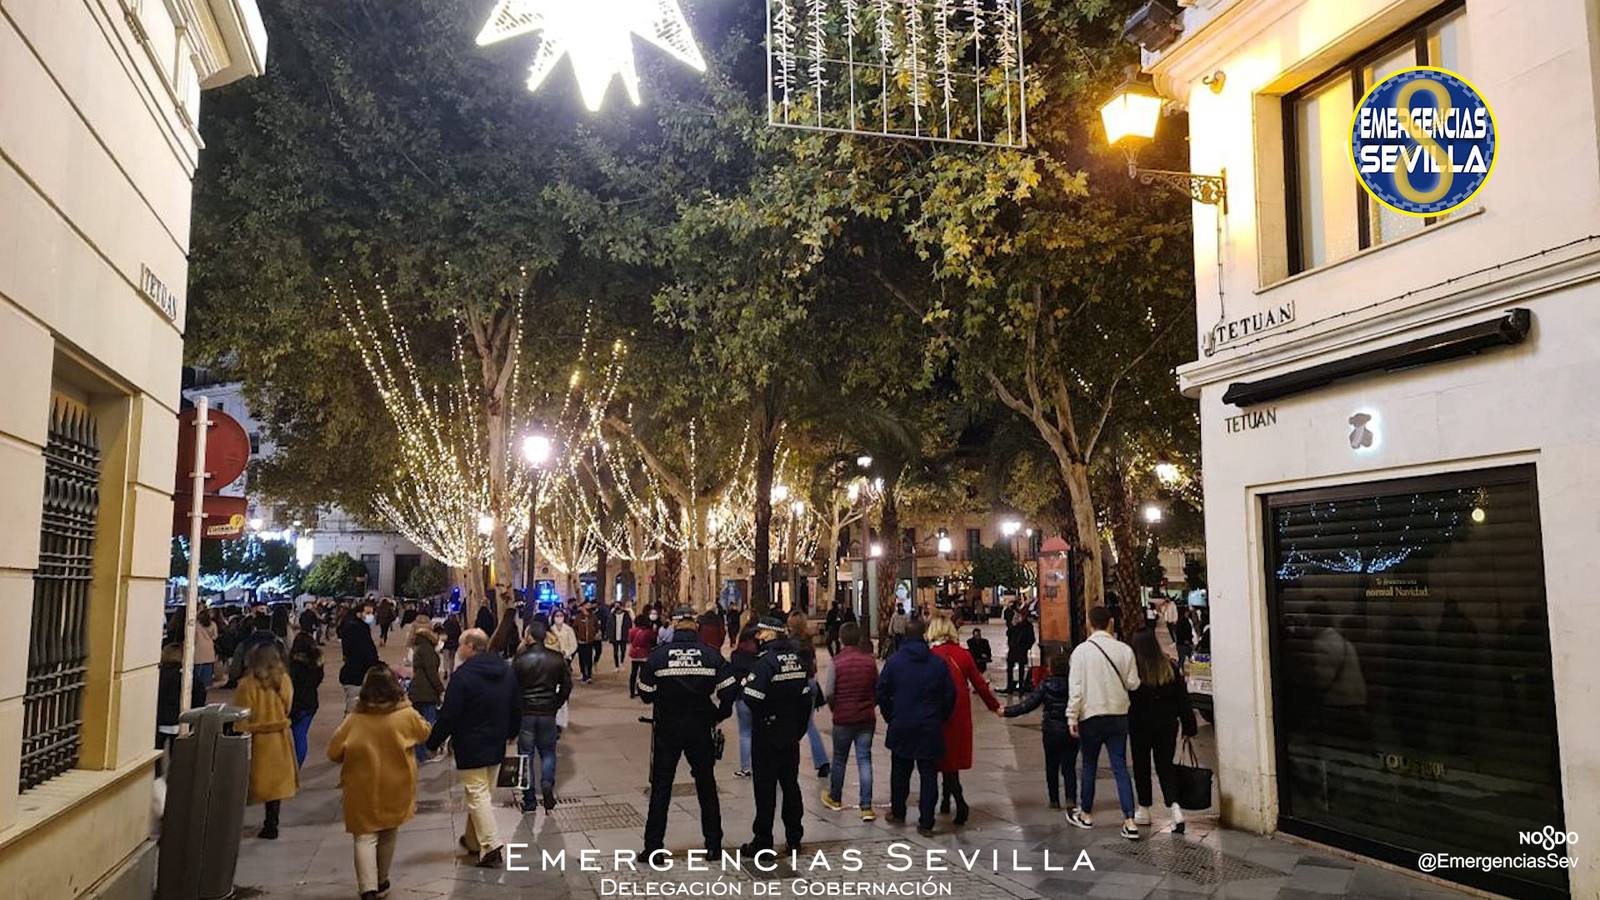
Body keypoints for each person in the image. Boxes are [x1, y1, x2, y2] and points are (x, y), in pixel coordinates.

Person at [638, 607, 738, 856]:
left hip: (667, 727)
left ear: (673, 625)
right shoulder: (711, 655)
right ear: (696, 625)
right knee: (706, 785)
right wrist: (719, 714)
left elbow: (645, 693)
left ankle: (653, 847)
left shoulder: (659, 656)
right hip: (700, 727)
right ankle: (714, 844)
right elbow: (729, 690)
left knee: (661, 788)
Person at [327, 665, 433, 900]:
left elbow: (333, 751)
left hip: (362, 786)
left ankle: (368, 888)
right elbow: (425, 731)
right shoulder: (404, 714)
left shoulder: (355, 719)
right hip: (397, 784)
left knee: (364, 836)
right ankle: (382, 879)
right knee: (388, 831)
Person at [423, 628, 520, 867]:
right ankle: (474, 842)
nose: (459, 649)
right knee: (481, 794)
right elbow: (516, 705)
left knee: (477, 795)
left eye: (462, 645)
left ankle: (491, 845)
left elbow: (449, 715)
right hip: (496, 742)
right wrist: (511, 732)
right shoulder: (506, 671)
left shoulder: (463, 676)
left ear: (470, 647)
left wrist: (433, 743)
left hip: (471, 744)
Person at [740, 615, 813, 855]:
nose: (758, 637)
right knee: (790, 785)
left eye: (761, 633)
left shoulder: (765, 663)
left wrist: (765, 716)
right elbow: (806, 698)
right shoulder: (796, 660)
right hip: (790, 733)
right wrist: (798, 729)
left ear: (770, 634)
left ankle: (763, 839)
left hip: (767, 734)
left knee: (765, 789)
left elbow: (752, 697)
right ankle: (794, 837)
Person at [1066, 606, 1142, 839]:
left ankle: (1086, 814)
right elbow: (1133, 683)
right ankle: (1129, 819)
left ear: (1089, 624)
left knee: (1089, 765)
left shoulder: (1080, 652)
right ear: (1110, 622)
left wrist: (1072, 715)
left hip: (1091, 716)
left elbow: (1076, 689)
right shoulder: (1125, 650)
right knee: (1120, 765)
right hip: (1118, 715)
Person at [876, 619, 955, 837]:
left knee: (900, 770)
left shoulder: (894, 662)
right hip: (930, 724)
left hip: (902, 722)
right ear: (924, 635)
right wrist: (940, 717)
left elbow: (881, 692)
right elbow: (951, 694)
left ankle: (898, 811)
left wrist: (890, 715)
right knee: (929, 773)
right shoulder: (937, 663)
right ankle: (926, 822)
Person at [928, 615, 1002, 825]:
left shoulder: (930, 656)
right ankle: (949, 798)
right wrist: (994, 706)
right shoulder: (963, 655)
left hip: (936, 713)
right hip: (958, 713)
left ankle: (956, 800)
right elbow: (979, 684)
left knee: (939, 758)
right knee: (952, 760)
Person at [1129, 629, 1198, 833]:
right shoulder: (1169, 667)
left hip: (1140, 725)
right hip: (1167, 726)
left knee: (1141, 766)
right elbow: (1183, 700)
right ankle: (1176, 809)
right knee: (1165, 767)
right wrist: (1189, 726)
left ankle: (1144, 808)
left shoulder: (1135, 671)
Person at [234, 642, 297, 839]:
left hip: (256, 739)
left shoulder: (246, 684)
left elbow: (241, 714)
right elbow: (288, 706)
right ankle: (272, 824)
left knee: (251, 781)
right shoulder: (283, 680)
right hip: (278, 738)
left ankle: (235, 823)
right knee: (275, 785)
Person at [1003, 652, 1077, 811]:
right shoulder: (1074, 684)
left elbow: (1028, 705)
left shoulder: (1045, 685)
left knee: (1051, 765)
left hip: (1051, 729)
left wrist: (1007, 711)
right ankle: (1071, 798)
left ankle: (1054, 800)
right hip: (1070, 728)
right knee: (1069, 766)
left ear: (1050, 668)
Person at [819, 622, 878, 821]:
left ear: (842, 639)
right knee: (864, 760)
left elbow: (829, 692)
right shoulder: (869, 662)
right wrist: (869, 704)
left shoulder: (837, 662)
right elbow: (876, 689)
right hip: (865, 718)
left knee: (839, 759)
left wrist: (836, 708)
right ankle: (866, 806)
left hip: (843, 718)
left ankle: (835, 797)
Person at [513, 621, 572, 812]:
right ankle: (547, 784)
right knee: (548, 752)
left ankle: (528, 799)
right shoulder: (556, 658)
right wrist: (556, 702)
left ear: (529, 636)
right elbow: (567, 685)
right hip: (548, 712)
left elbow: (512, 688)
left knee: (525, 755)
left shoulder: (520, 659)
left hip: (526, 713)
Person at [787, 612, 831, 777]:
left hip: (797, 684)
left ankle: (787, 758)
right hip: (811, 682)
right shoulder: (807, 642)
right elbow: (814, 665)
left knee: (793, 722)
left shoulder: (789, 643)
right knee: (809, 724)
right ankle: (822, 761)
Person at [407, 621, 446, 764]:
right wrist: (440, 689)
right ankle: (425, 753)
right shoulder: (427, 650)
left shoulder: (419, 649)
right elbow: (431, 672)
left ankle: (419, 753)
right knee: (428, 724)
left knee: (418, 724)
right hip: (426, 691)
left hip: (417, 691)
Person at [287, 632, 323, 768]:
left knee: (296, 735)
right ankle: (298, 765)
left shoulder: (294, 664)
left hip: (295, 704)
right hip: (311, 703)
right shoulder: (317, 664)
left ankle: (293, 766)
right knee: (301, 735)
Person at [728, 624, 760, 778]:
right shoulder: (761, 655)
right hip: (759, 697)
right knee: (760, 732)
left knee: (745, 733)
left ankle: (746, 767)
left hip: (742, 697)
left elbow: (733, 678)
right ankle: (760, 764)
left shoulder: (736, 655)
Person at [339, 602, 381, 713]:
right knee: (353, 710)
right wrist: (377, 665)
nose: (370, 615)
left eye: (372, 613)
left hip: (357, 674)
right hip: (356, 675)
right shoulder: (356, 629)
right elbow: (364, 652)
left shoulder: (359, 627)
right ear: (359, 613)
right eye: (367, 613)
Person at [627, 607, 658, 698]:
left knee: (633, 672)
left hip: (634, 654)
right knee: (642, 673)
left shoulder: (632, 631)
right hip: (644, 653)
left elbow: (630, 640)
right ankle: (641, 690)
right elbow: (652, 641)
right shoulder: (648, 632)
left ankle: (632, 691)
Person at [1005, 610, 1036, 694]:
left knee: (1021, 668)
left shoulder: (1028, 626)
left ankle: (1021, 687)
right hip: (1013, 649)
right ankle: (1009, 686)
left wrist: (1027, 647)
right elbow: (1008, 634)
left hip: (1022, 649)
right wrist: (1012, 625)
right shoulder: (1015, 625)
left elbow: (1032, 638)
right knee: (1010, 668)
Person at [192, 608, 217, 704]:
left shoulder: (195, 625)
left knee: (196, 679)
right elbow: (215, 637)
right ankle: (204, 699)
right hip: (209, 653)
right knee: (206, 681)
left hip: (198, 654)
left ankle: (196, 699)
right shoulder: (213, 624)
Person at [573, 601, 601, 683]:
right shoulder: (578, 617)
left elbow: (597, 626)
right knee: (582, 658)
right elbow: (575, 628)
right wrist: (578, 636)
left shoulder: (593, 617)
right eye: (586, 606)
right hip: (581, 642)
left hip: (590, 641)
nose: (588, 607)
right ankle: (583, 674)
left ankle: (589, 675)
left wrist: (593, 634)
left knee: (589, 658)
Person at [549, 607, 579, 672]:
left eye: (561, 615)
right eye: (557, 616)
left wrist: (567, 653)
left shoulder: (569, 630)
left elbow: (574, 645)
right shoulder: (550, 630)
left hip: (566, 657)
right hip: (553, 658)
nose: (559, 617)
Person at [607, 602, 633, 670]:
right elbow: (609, 625)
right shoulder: (612, 615)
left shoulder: (626, 615)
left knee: (623, 650)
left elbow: (629, 625)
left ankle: (621, 662)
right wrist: (609, 635)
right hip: (614, 636)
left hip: (623, 635)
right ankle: (616, 665)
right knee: (615, 652)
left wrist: (628, 634)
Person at [440, 612, 462, 677]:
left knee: (445, 658)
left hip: (446, 644)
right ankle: (451, 671)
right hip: (454, 644)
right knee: (452, 659)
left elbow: (442, 632)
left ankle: (445, 671)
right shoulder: (456, 624)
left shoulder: (445, 623)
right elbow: (459, 634)